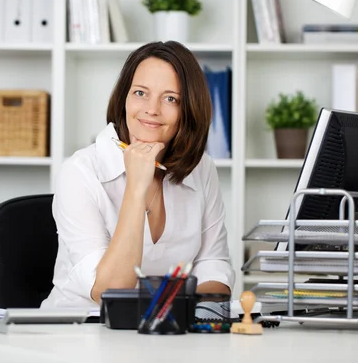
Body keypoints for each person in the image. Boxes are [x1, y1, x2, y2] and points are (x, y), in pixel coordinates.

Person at [41, 41, 235, 309]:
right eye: (140, 93)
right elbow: (109, 291)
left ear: (188, 110)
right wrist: (135, 188)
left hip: (164, 333)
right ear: (124, 98)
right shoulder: (80, 171)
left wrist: (194, 315)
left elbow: (213, 264)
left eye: (170, 98)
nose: (151, 109)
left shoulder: (201, 168)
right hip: (80, 333)